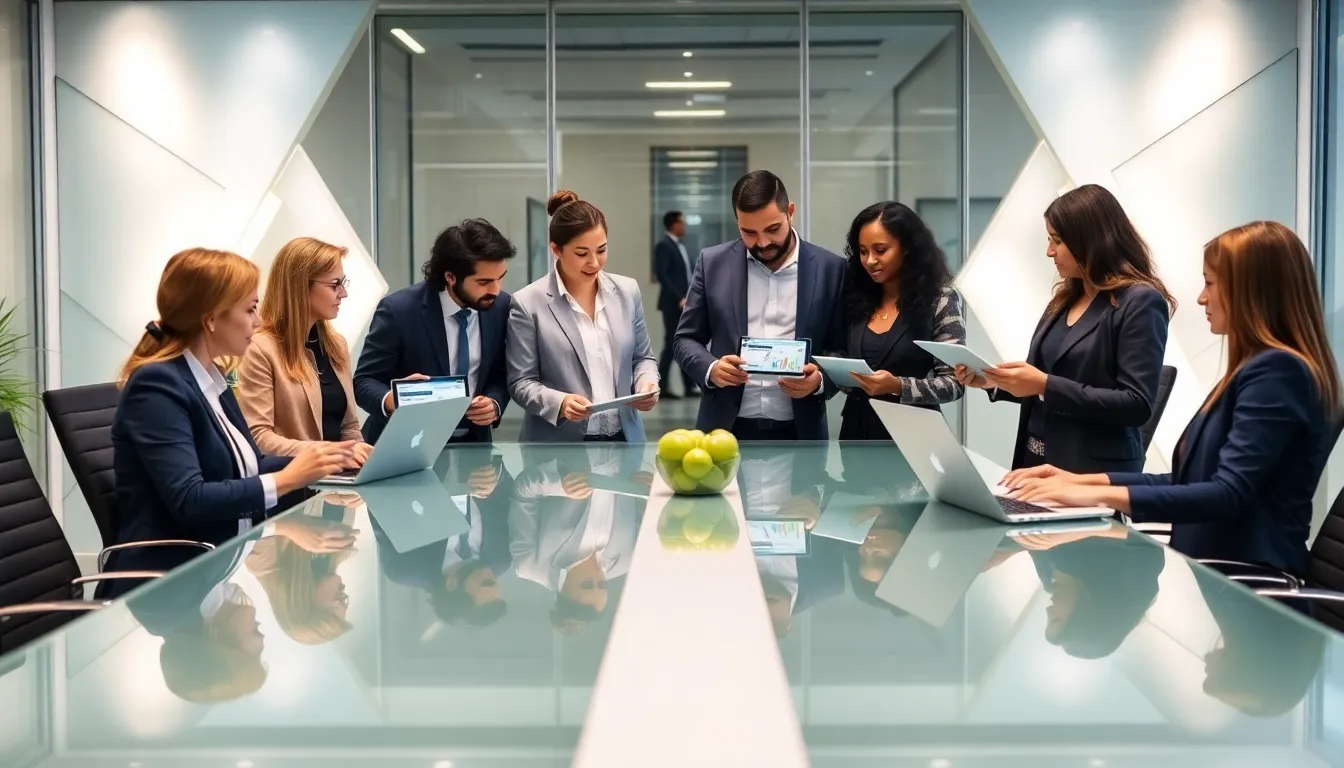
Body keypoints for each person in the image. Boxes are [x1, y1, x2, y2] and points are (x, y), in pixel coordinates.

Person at [1009, 221, 1341, 577]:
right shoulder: (1255, 369)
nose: (1201, 297)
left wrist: (1095, 496)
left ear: (1251, 291)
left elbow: (1226, 494)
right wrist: (1079, 481)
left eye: (1210, 283)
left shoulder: (1278, 372)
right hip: (1218, 581)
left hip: (1253, 592)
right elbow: (1189, 480)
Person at [110, 248, 353, 574]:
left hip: (220, 566)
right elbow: (190, 498)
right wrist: (284, 481)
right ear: (211, 319)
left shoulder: (210, 377)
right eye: (250, 309)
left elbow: (249, 463)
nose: (259, 321)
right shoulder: (157, 385)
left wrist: (326, 459)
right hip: (169, 583)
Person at [954, 184, 1174, 474]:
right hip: (1034, 465)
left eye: (1056, 241)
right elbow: (1041, 379)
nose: (1049, 252)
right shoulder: (1063, 299)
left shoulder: (1141, 302)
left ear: (1090, 241)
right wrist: (993, 382)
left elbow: (1135, 404)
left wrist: (1044, 384)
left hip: (1090, 475)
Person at [673, 170, 847, 441]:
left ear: (790, 212)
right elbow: (685, 339)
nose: (762, 243)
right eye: (749, 232)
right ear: (737, 222)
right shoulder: (712, 263)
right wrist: (711, 368)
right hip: (723, 431)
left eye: (773, 229)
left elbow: (842, 348)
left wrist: (819, 381)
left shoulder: (831, 269)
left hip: (801, 432)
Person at [506, 190, 660, 442]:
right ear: (556, 249)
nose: (594, 263)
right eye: (581, 253)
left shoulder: (627, 291)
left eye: (601, 250)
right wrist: (561, 402)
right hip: (559, 452)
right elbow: (521, 383)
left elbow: (643, 357)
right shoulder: (527, 303)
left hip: (625, 441)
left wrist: (646, 384)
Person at [354, 218, 514, 445]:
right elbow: (364, 381)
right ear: (450, 278)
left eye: (500, 278)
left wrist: (494, 403)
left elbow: (501, 371)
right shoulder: (399, 311)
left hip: (473, 446)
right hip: (401, 444)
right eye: (484, 282)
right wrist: (394, 400)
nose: (496, 290)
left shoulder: (501, 307)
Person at [838, 201, 965, 441]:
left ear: (907, 247)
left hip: (915, 437)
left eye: (881, 250)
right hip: (856, 435)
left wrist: (897, 386)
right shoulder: (856, 298)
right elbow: (840, 356)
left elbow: (954, 384)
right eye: (863, 251)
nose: (870, 261)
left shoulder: (940, 300)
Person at [237, 237, 371, 463]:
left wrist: (363, 457)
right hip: (293, 486)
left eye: (343, 283)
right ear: (300, 286)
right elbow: (258, 437)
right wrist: (332, 454)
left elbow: (349, 428)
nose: (343, 294)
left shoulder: (336, 345)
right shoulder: (260, 348)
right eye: (334, 285)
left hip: (337, 484)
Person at [654, 210, 697, 398]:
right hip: (673, 304)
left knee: (683, 343)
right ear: (673, 224)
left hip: (684, 303)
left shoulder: (679, 246)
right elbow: (662, 275)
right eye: (682, 222)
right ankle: (662, 386)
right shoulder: (664, 246)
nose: (684, 226)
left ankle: (689, 386)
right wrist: (679, 297)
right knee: (671, 344)